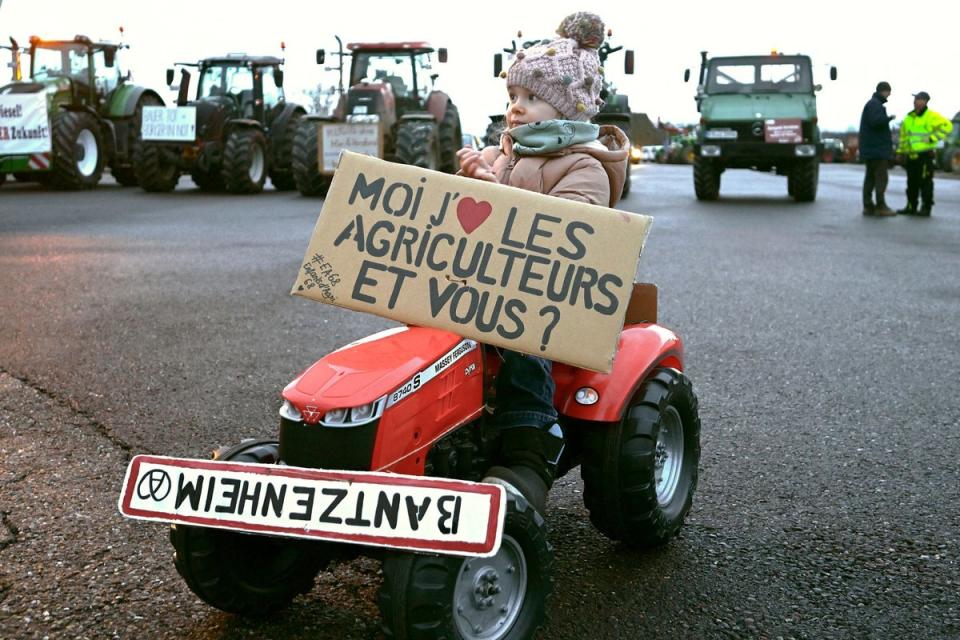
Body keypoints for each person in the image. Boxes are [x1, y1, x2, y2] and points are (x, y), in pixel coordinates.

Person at [456, 11, 628, 513]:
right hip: (482, 284)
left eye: (530, 99)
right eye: (512, 98)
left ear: (566, 107)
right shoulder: (502, 153)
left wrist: (491, 189)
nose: (515, 109)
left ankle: (529, 450)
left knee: (523, 348)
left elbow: (572, 236)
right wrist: (467, 177)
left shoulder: (585, 166)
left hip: (544, 300)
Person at [896, 92, 954, 216]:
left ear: (925, 101)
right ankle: (911, 206)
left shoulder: (931, 116)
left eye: (918, 99)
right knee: (911, 183)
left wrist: (933, 138)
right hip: (911, 157)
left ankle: (925, 208)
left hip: (925, 156)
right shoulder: (908, 118)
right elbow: (903, 137)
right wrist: (900, 153)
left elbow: (948, 126)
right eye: (915, 99)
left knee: (925, 183)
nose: (915, 101)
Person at [858, 81, 896, 216]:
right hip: (877, 150)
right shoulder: (875, 105)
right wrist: (888, 119)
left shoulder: (872, 104)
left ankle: (868, 206)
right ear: (883, 91)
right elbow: (876, 122)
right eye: (888, 91)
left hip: (871, 150)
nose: (889, 94)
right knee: (880, 178)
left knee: (870, 178)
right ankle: (881, 206)